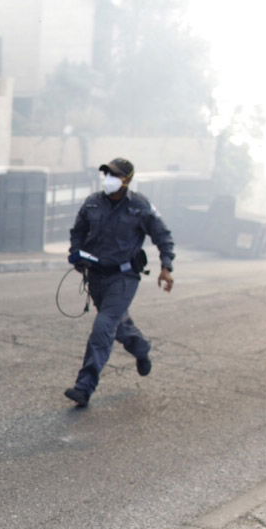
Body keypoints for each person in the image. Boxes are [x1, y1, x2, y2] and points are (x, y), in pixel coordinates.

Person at [64, 157, 175, 408]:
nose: (109, 179)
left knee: (103, 326)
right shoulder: (93, 202)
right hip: (96, 276)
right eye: (107, 174)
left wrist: (166, 267)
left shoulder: (139, 206)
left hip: (123, 277)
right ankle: (141, 347)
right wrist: (76, 252)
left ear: (127, 180)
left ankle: (84, 387)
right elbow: (78, 231)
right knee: (119, 326)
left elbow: (162, 236)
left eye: (114, 175)